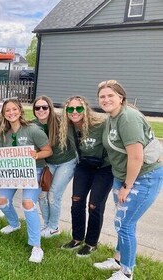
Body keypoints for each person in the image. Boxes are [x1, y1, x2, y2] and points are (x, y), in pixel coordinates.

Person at [94, 80, 163, 280]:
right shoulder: (112, 117)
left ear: (121, 98)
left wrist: (126, 186)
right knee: (121, 222)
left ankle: (126, 272)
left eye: (110, 95)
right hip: (122, 177)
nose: (106, 99)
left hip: (144, 177)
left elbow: (136, 157)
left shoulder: (128, 118)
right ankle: (117, 260)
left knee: (125, 224)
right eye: (102, 96)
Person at [0, 99, 52, 263]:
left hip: (33, 171)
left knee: (28, 203)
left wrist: (35, 155)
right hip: (11, 172)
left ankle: (36, 246)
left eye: (14, 109)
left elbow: (48, 151)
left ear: (20, 111)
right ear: (4, 114)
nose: (11, 112)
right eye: (7, 110)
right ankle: (14, 224)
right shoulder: (4, 133)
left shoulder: (33, 130)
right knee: (2, 201)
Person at [59, 95, 113, 257]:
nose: (74, 112)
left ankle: (91, 243)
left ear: (85, 109)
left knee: (94, 206)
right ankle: (76, 238)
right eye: (70, 109)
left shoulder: (101, 124)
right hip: (84, 166)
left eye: (78, 108)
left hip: (104, 168)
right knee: (76, 201)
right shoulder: (67, 126)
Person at [31, 96, 77, 238]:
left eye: (44, 107)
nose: (41, 110)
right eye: (37, 107)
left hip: (66, 162)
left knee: (53, 195)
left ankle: (54, 227)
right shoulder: (32, 125)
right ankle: (47, 224)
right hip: (48, 163)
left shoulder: (61, 121)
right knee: (41, 194)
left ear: (50, 108)